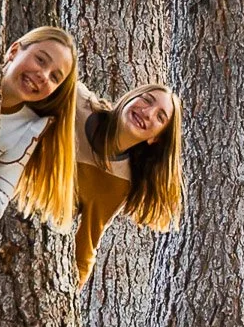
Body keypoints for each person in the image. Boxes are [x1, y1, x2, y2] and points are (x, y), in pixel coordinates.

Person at [72, 83, 182, 284]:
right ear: (130, 98)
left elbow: (86, 245)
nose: (147, 113)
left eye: (160, 117)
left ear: (155, 138)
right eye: (146, 100)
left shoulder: (121, 180)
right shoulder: (78, 102)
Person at [0, 26, 78, 228]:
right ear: (14, 51)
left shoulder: (29, 129)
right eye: (41, 60)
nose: (43, 75)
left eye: (55, 77)